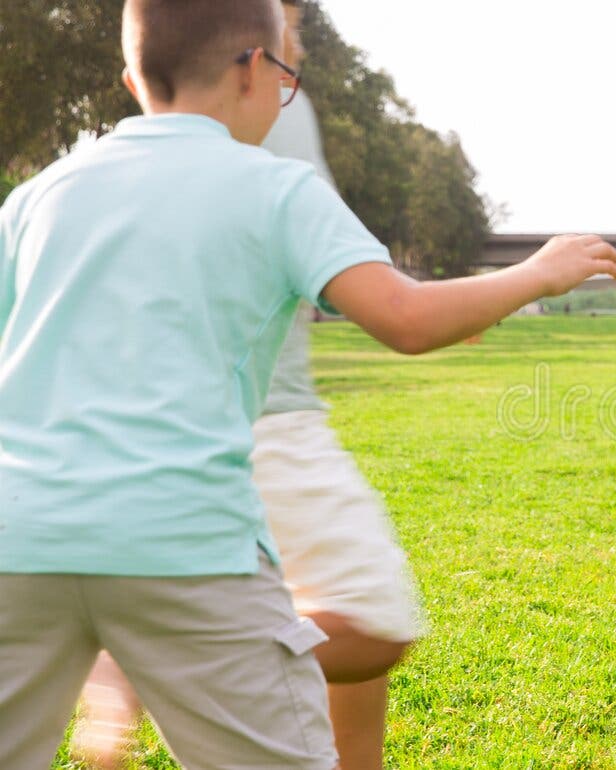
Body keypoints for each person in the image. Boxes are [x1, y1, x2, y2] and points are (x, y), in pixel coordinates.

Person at [0, 1, 616, 766]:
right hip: (184, 544)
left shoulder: (37, 198)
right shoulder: (276, 188)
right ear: (258, 68)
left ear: (133, 80)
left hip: (18, 542)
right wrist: (535, 273)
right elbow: (405, 317)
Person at [69, 2, 422, 768]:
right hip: (260, 416)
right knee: (371, 615)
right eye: (286, 21)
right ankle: (154, 652)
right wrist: (474, 294)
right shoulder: (259, 102)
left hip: (175, 421)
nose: (292, 33)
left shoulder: (112, 153)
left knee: (344, 621)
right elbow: (365, 287)